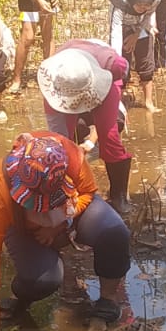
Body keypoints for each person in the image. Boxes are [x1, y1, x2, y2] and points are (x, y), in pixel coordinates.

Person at [0, 132, 133, 331]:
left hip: (69, 209)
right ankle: (19, 295)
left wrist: (61, 224)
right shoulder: (0, 187)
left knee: (114, 232)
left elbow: (87, 192)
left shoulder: (71, 156)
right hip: (25, 228)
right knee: (44, 279)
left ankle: (108, 299)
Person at [39, 41, 134, 211]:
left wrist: (120, 99)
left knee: (109, 136)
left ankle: (118, 196)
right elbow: (58, 137)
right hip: (67, 84)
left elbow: (123, 71)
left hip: (100, 77)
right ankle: (67, 192)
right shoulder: (54, 80)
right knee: (60, 144)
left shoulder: (112, 63)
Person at [108, 0, 161, 112]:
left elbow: (148, 16)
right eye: (139, 5)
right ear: (133, 0)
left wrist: (136, 34)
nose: (142, 8)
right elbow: (115, 32)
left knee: (146, 60)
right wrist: (117, 58)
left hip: (141, 25)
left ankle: (148, 101)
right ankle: (120, 101)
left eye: (146, 5)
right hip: (122, 26)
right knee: (122, 62)